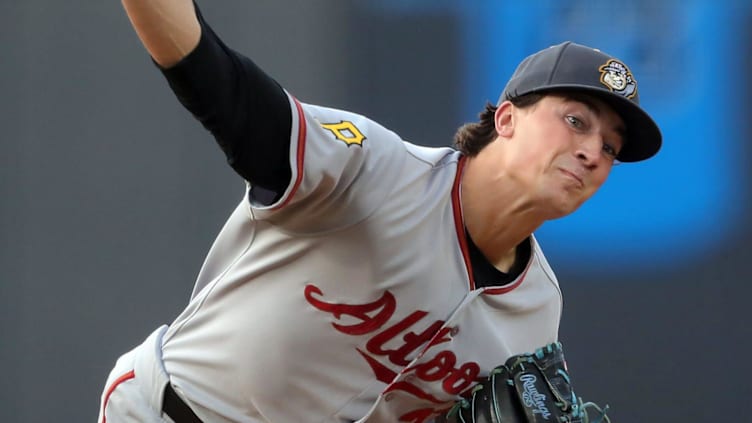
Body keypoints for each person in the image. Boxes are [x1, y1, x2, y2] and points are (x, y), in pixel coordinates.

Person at [99, 1, 662, 422]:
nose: (593, 152)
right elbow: (217, 82)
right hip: (168, 409)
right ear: (508, 118)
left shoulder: (536, 311)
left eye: (611, 147)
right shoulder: (369, 166)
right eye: (575, 121)